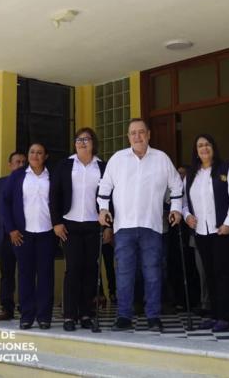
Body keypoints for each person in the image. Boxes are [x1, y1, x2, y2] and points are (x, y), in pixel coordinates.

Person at [97, 118, 184, 332]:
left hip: (152, 225)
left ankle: (153, 316)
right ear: (128, 137)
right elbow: (104, 188)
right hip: (123, 226)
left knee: (153, 273)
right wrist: (103, 209)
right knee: (125, 273)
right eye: (133, 133)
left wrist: (176, 209)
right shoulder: (118, 159)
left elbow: (177, 186)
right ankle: (124, 316)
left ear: (149, 134)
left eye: (141, 132)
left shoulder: (161, 158)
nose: (137, 136)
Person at [50, 127, 107, 332]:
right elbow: (54, 195)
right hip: (69, 224)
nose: (82, 142)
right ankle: (69, 315)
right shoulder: (65, 165)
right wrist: (56, 222)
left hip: (94, 224)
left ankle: (85, 313)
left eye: (87, 139)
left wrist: (108, 225)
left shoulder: (102, 166)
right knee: (73, 269)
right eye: (79, 139)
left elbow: (110, 197)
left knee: (90, 270)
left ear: (94, 143)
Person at [183, 134, 229, 332]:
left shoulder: (226, 169)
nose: (204, 148)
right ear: (196, 151)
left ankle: (224, 316)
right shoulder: (191, 174)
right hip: (201, 232)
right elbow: (184, 203)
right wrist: (187, 216)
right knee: (209, 274)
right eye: (200, 145)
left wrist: (228, 224)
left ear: (213, 147)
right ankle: (214, 314)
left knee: (222, 273)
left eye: (207, 144)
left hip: (222, 230)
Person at [2, 143, 55, 330]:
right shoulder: (18, 176)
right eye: (32, 152)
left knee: (46, 277)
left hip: (47, 233)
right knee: (25, 276)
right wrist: (11, 229)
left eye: (40, 152)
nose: (35, 155)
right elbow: (5, 202)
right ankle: (27, 316)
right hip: (22, 235)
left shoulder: (52, 176)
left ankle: (44, 317)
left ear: (46, 156)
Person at [0, 151, 26, 321]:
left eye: (23, 162)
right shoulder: (0, 184)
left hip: (24, 235)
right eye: (17, 162)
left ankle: (26, 306)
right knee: (6, 273)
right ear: (10, 165)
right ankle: (7, 308)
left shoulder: (30, 182)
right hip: (3, 236)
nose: (20, 165)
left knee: (25, 272)